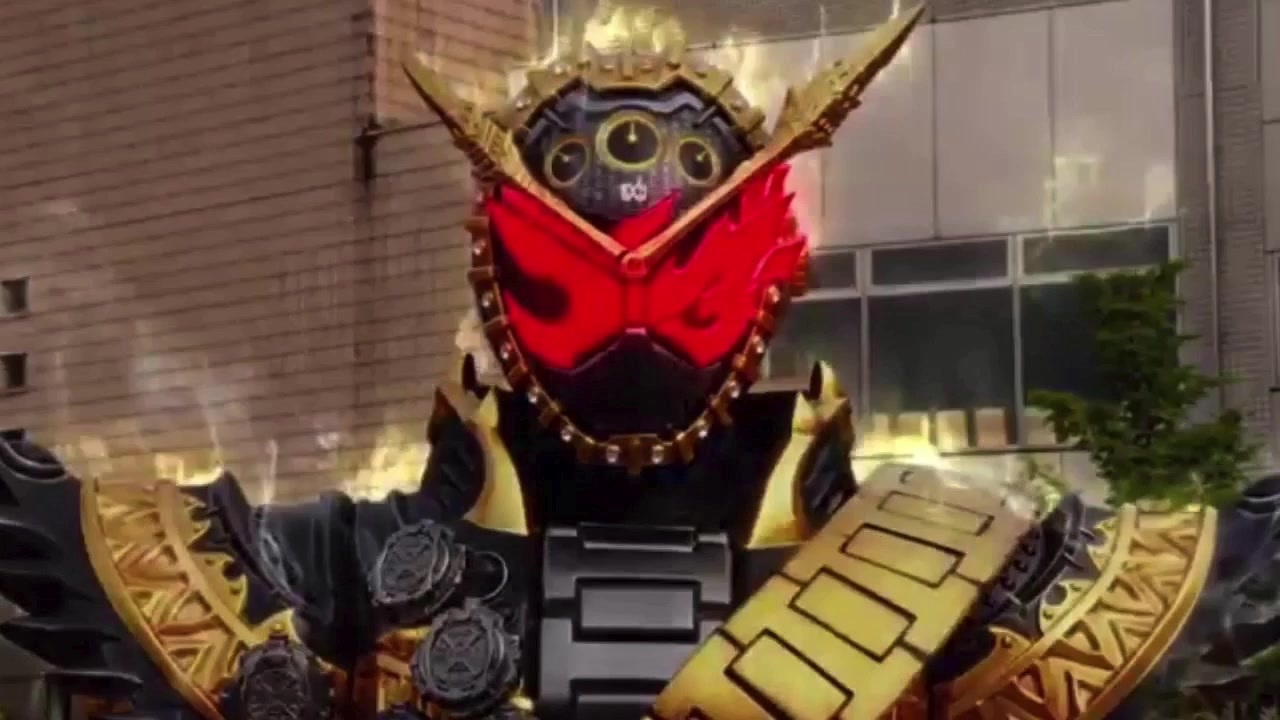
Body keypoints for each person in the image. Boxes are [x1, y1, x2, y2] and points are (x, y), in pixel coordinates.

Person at [0, 6, 1276, 719]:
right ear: (497, 262)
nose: (628, 290)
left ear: (767, 260)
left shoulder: (963, 572)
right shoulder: (331, 572)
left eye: (677, 246)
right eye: (573, 252)